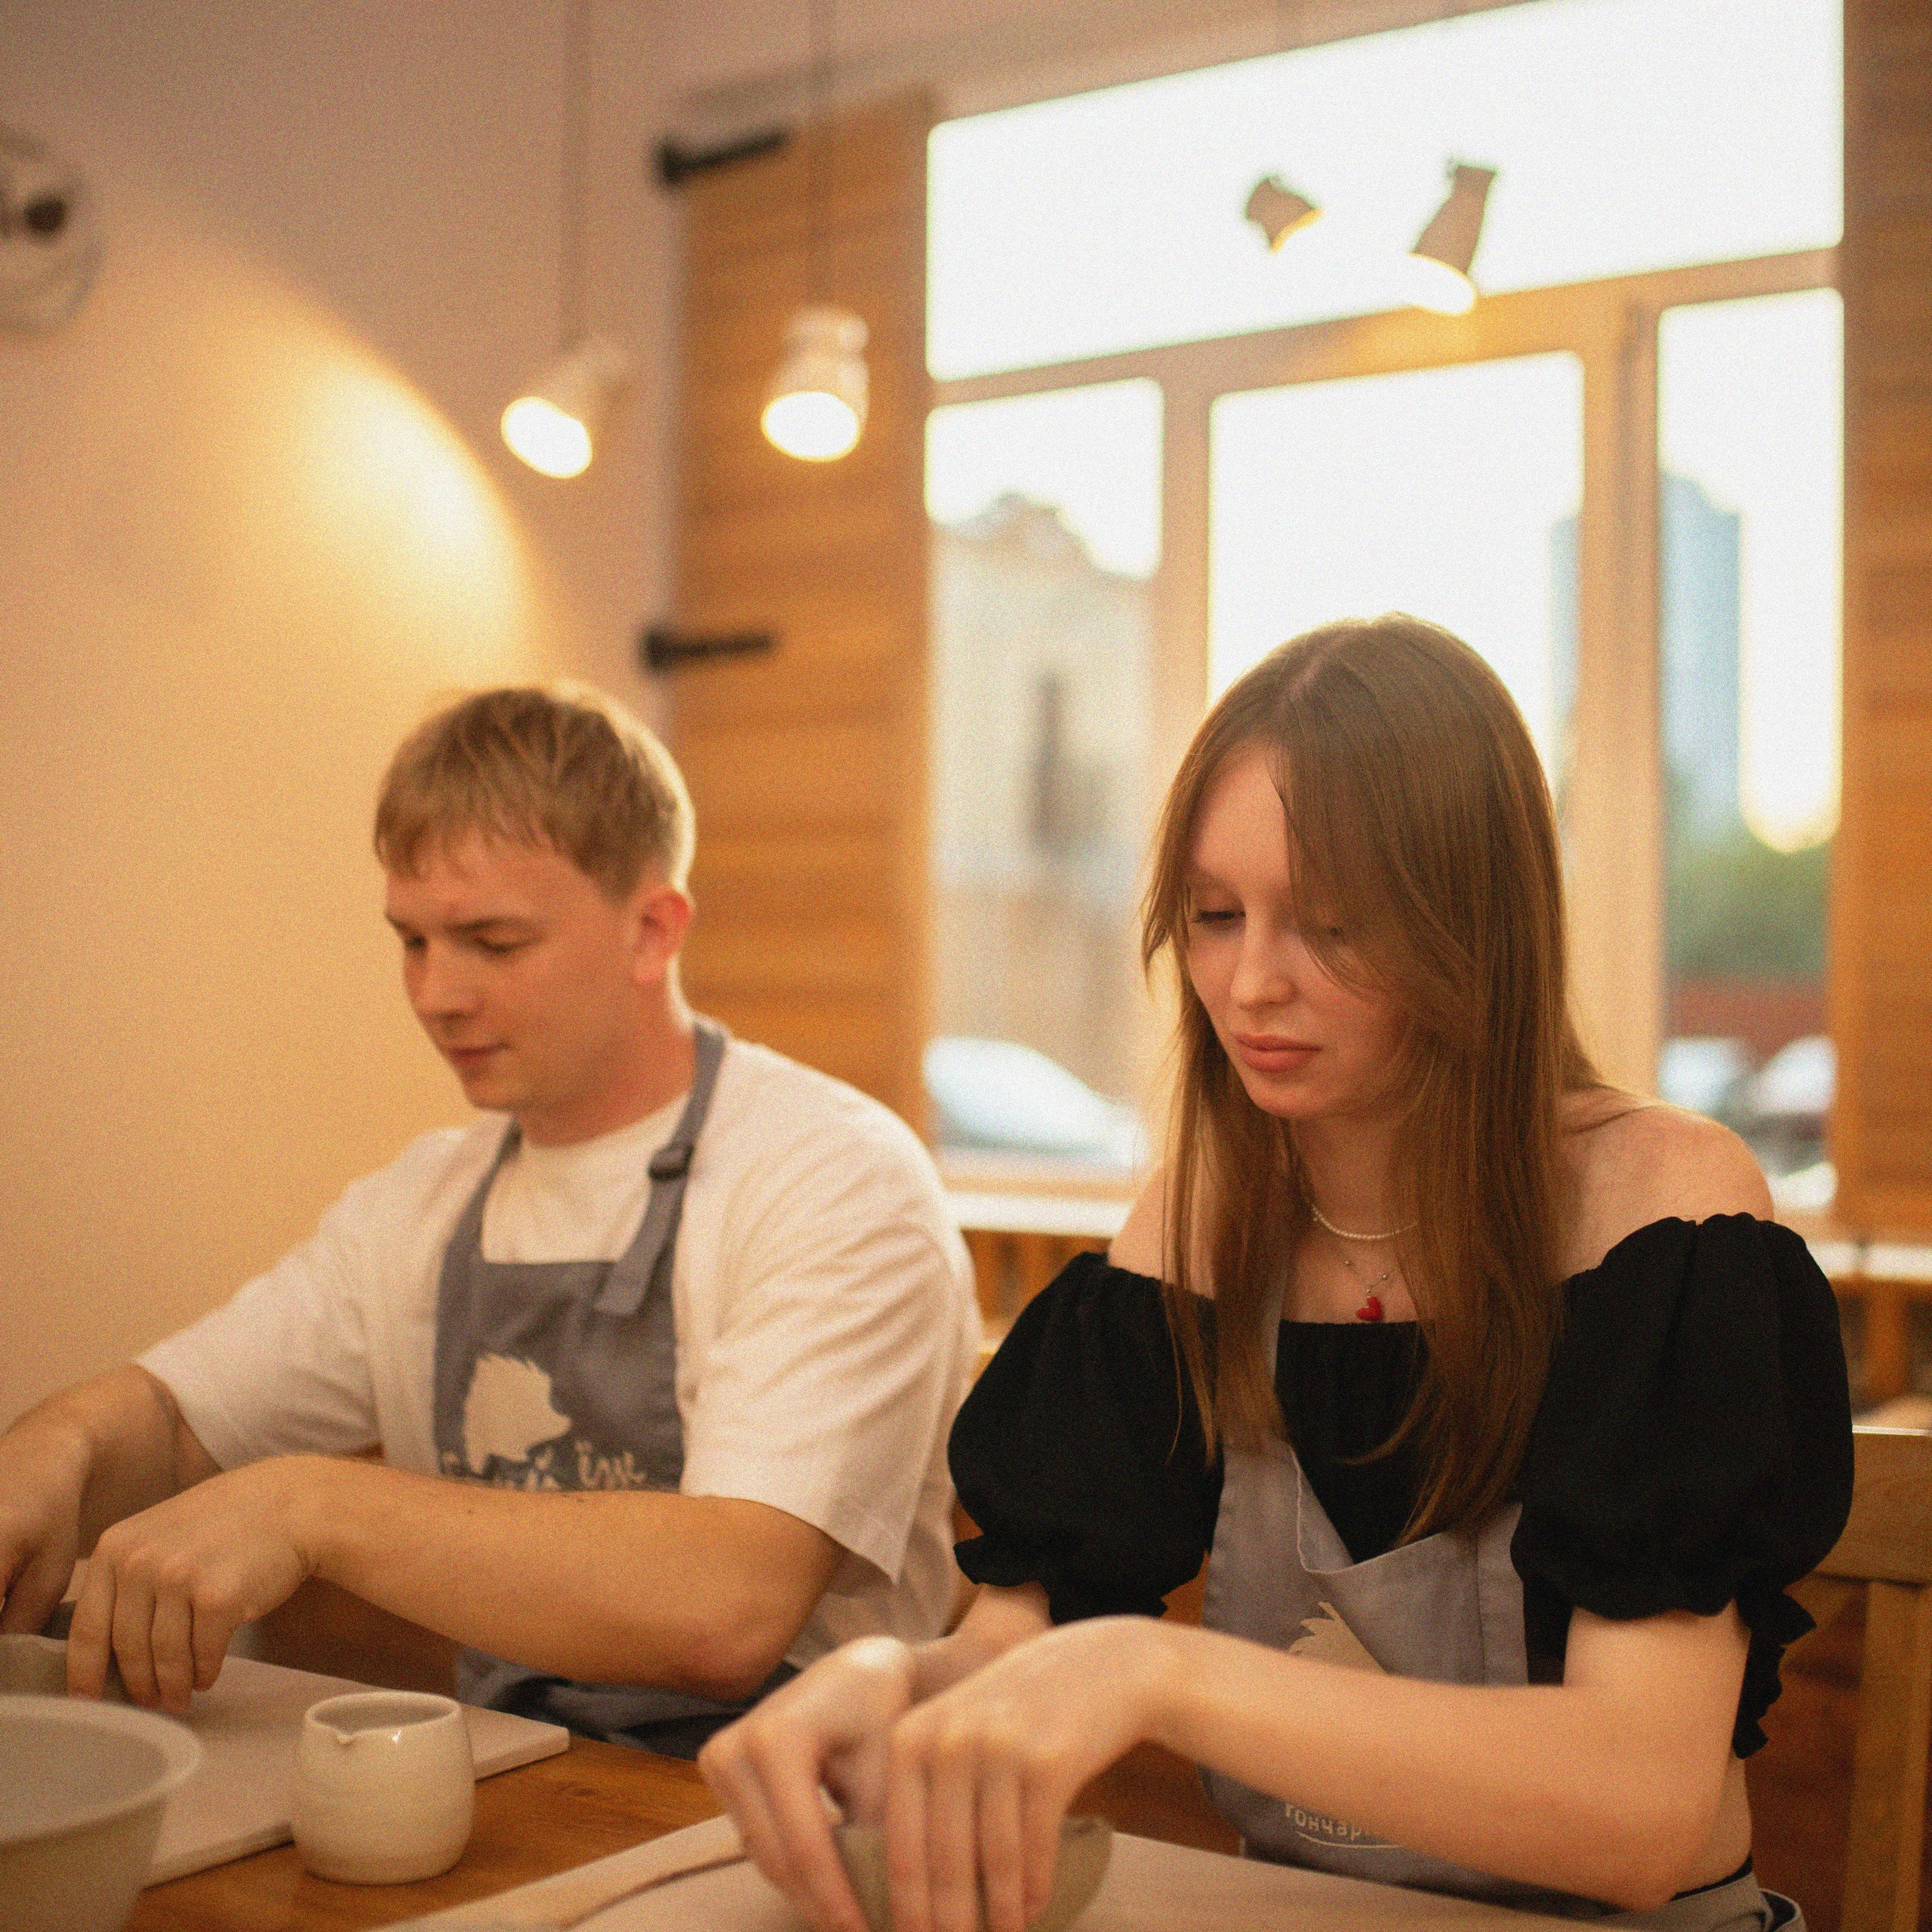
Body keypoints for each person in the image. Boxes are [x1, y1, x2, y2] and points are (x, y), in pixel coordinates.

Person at [698, 616, 1854, 1930]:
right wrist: (894, 1686)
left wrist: (1156, 1673)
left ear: (1475, 926)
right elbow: (1014, 1648)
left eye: (1333, 926)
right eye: (1214, 917)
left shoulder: (1660, 1206)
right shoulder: (1197, 1224)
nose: (1249, 984)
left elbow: (1637, 1808)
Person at [0, 684, 978, 1757]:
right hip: (520, 1779)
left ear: (653, 928)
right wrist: (60, 1444)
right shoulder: (418, 1207)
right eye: (412, 941)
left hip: (805, 1814)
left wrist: (311, 1509)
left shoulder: (831, 1177)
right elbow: (180, 1428)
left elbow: (726, 1605)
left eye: (492, 943)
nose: (435, 995)